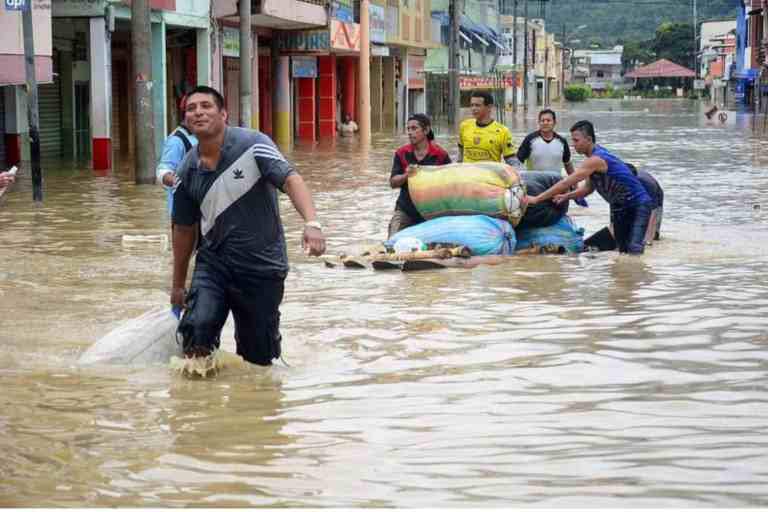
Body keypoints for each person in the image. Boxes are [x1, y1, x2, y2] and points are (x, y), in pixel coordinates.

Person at [171, 85, 326, 365]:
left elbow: (291, 179)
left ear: (223, 114)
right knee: (196, 333)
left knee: (258, 358)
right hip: (213, 265)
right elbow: (183, 230)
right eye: (191, 108)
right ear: (186, 120)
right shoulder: (185, 171)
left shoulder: (254, 145)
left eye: (206, 106)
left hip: (261, 266)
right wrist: (178, 285)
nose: (198, 112)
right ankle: (199, 404)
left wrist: (312, 223)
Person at [524, 120, 653, 255]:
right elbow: (587, 189)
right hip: (619, 207)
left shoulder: (596, 160)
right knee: (623, 249)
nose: (573, 145)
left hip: (638, 204)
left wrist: (537, 199)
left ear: (589, 139)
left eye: (576, 140)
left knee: (634, 247)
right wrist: (565, 196)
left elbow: (565, 183)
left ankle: (639, 273)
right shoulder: (593, 159)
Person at [388, 113, 452, 237]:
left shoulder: (440, 155)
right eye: (408, 129)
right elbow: (392, 183)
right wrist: (406, 175)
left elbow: (450, 184)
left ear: (426, 130)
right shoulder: (401, 153)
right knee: (392, 242)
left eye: (414, 128)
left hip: (432, 211)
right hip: (405, 209)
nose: (410, 132)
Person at [517, 108, 587, 207]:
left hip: (556, 186)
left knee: (558, 212)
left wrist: (576, 187)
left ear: (554, 123)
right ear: (539, 123)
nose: (545, 123)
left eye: (548, 120)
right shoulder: (530, 140)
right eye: (542, 120)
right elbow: (517, 163)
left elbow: (568, 165)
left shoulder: (562, 142)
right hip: (534, 185)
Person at [157, 95, 198, 215]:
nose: (199, 113)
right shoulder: (176, 141)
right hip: (183, 211)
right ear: (185, 113)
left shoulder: (201, 135)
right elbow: (163, 171)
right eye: (192, 109)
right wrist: (182, 183)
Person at [458, 90, 518, 165]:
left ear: (489, 107)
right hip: (468, 175)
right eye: (472, 105)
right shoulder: (464, 126)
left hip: (489, 176)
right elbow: (460, 155)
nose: (473, 108)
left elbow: (511, 161)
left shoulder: (503, 132)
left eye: (477, 105)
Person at [627, 163, 663, 242]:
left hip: (654, 194)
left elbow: (653, 210)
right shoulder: (619, 178)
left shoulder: (647, 184)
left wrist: (648, 240)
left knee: (653, 235)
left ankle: (652, 237)